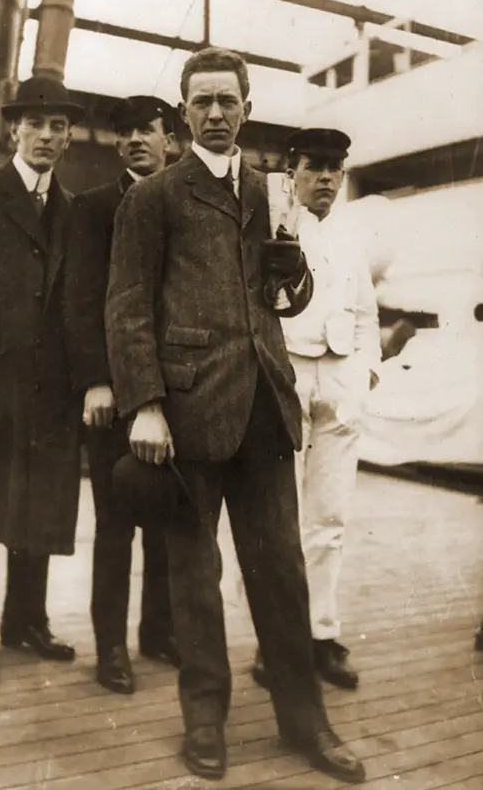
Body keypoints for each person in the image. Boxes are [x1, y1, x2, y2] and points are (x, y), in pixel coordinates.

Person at [105, 47, 365, 784]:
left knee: (281, 570)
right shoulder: (152, 198)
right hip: (187, 412)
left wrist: (300, 275)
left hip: (263, 411)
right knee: (195, 574)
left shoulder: (270, 193)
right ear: (184, 114)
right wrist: (146, 405)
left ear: (247, 108)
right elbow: (126, 308)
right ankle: (205, 717)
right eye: (201, 103)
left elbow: (286, 301)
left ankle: (305, 719)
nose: (215, 114)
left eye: (228, 101)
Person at [251, 128, 381, 692]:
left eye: (335, 169)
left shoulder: (352, 235)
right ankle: (273, 642)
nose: (325, 178)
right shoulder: (275, 229)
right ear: (293, 172)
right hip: (288, 378)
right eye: (314, 167)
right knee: (278, 522)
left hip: (341, 383)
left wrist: (365, 371)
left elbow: (368, 315)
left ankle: (322, 636)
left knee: (329, 521)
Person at [64, 96, 179, 694]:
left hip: (180, 392)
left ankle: (159, 632)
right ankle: (111, 647)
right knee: (115, 523)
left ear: (170, 141)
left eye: (148, 130)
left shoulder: (188, 201)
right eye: (126, 132)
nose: (136, 139)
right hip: (114, 391)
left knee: (170, 520)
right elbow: (81, 299)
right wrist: (97, 380)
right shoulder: (92, 208)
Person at [0, 76, 84, 680]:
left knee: (37, 504)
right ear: (13, 129)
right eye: (35, 124)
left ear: (69, 138)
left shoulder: (72, 210)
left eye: (57, 127)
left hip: (51, 390)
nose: (46, 135)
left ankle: (26, 622)